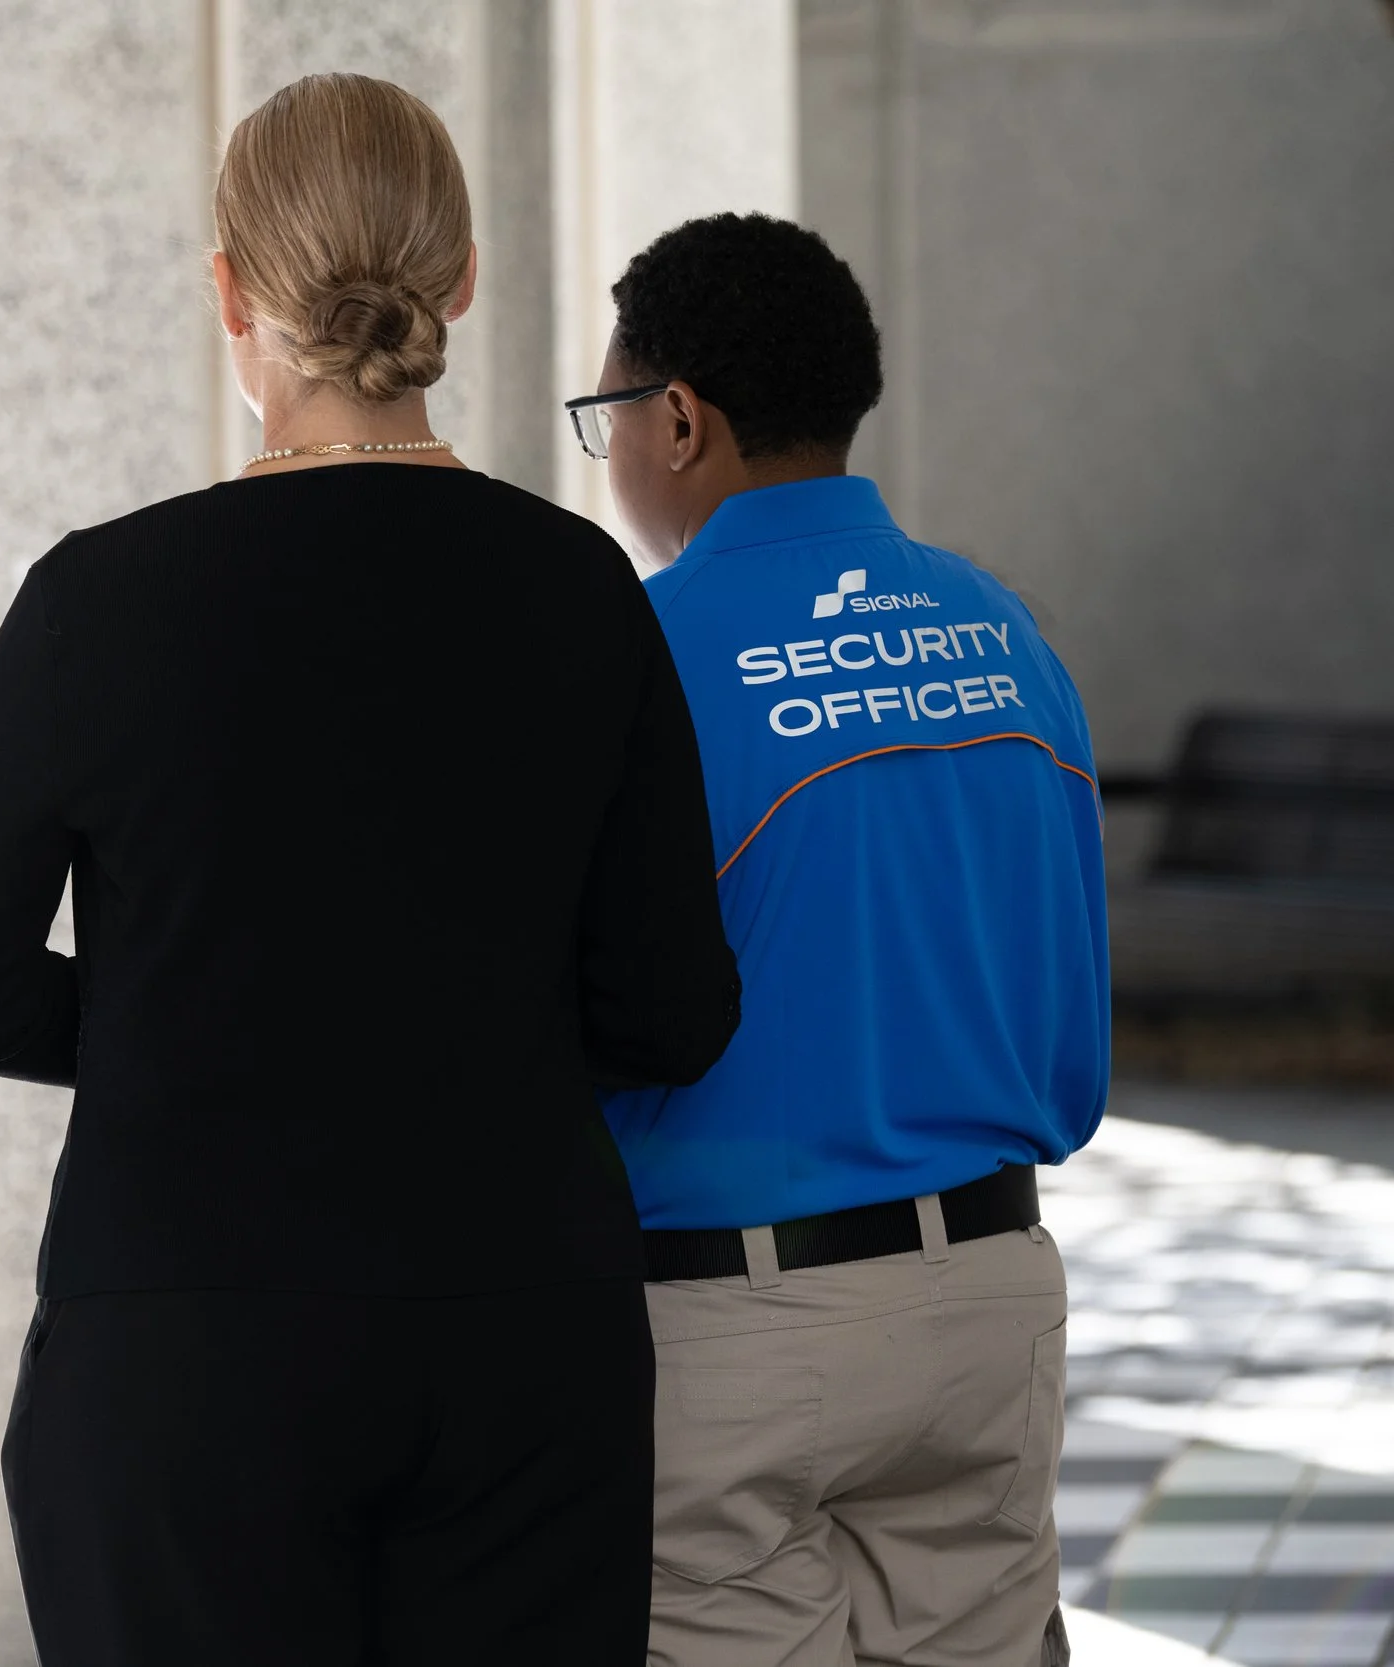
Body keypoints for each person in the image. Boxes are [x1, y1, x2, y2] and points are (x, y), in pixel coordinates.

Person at [0, 73, 739, 1666]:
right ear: (465, 279)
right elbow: (677, 1008)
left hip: (181, 1331)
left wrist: (198, 1031)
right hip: (521, 1329)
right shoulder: (580, 589)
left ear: (229, 290)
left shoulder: (102, 595)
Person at [575, 213, 1107, 1667]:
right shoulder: (1009, 634)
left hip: (733, 1324)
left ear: (676, 418)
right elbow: (1072, 1029)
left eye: (602, 414)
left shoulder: (637, 656)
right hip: (993, 1288)